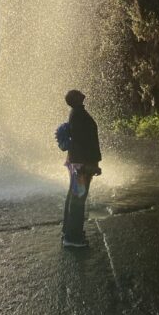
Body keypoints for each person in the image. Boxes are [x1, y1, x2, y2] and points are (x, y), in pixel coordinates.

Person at [61, 89, 101, 248]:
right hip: (80, 164)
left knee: (74, 195)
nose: (82, 93)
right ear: (75, 99)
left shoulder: (77, 113)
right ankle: (72, 238)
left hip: (77, 162)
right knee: (78, 198)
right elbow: (80, 142)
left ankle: (69, 230)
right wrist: (86, 165)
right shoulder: (77, 114)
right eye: (78, 93)